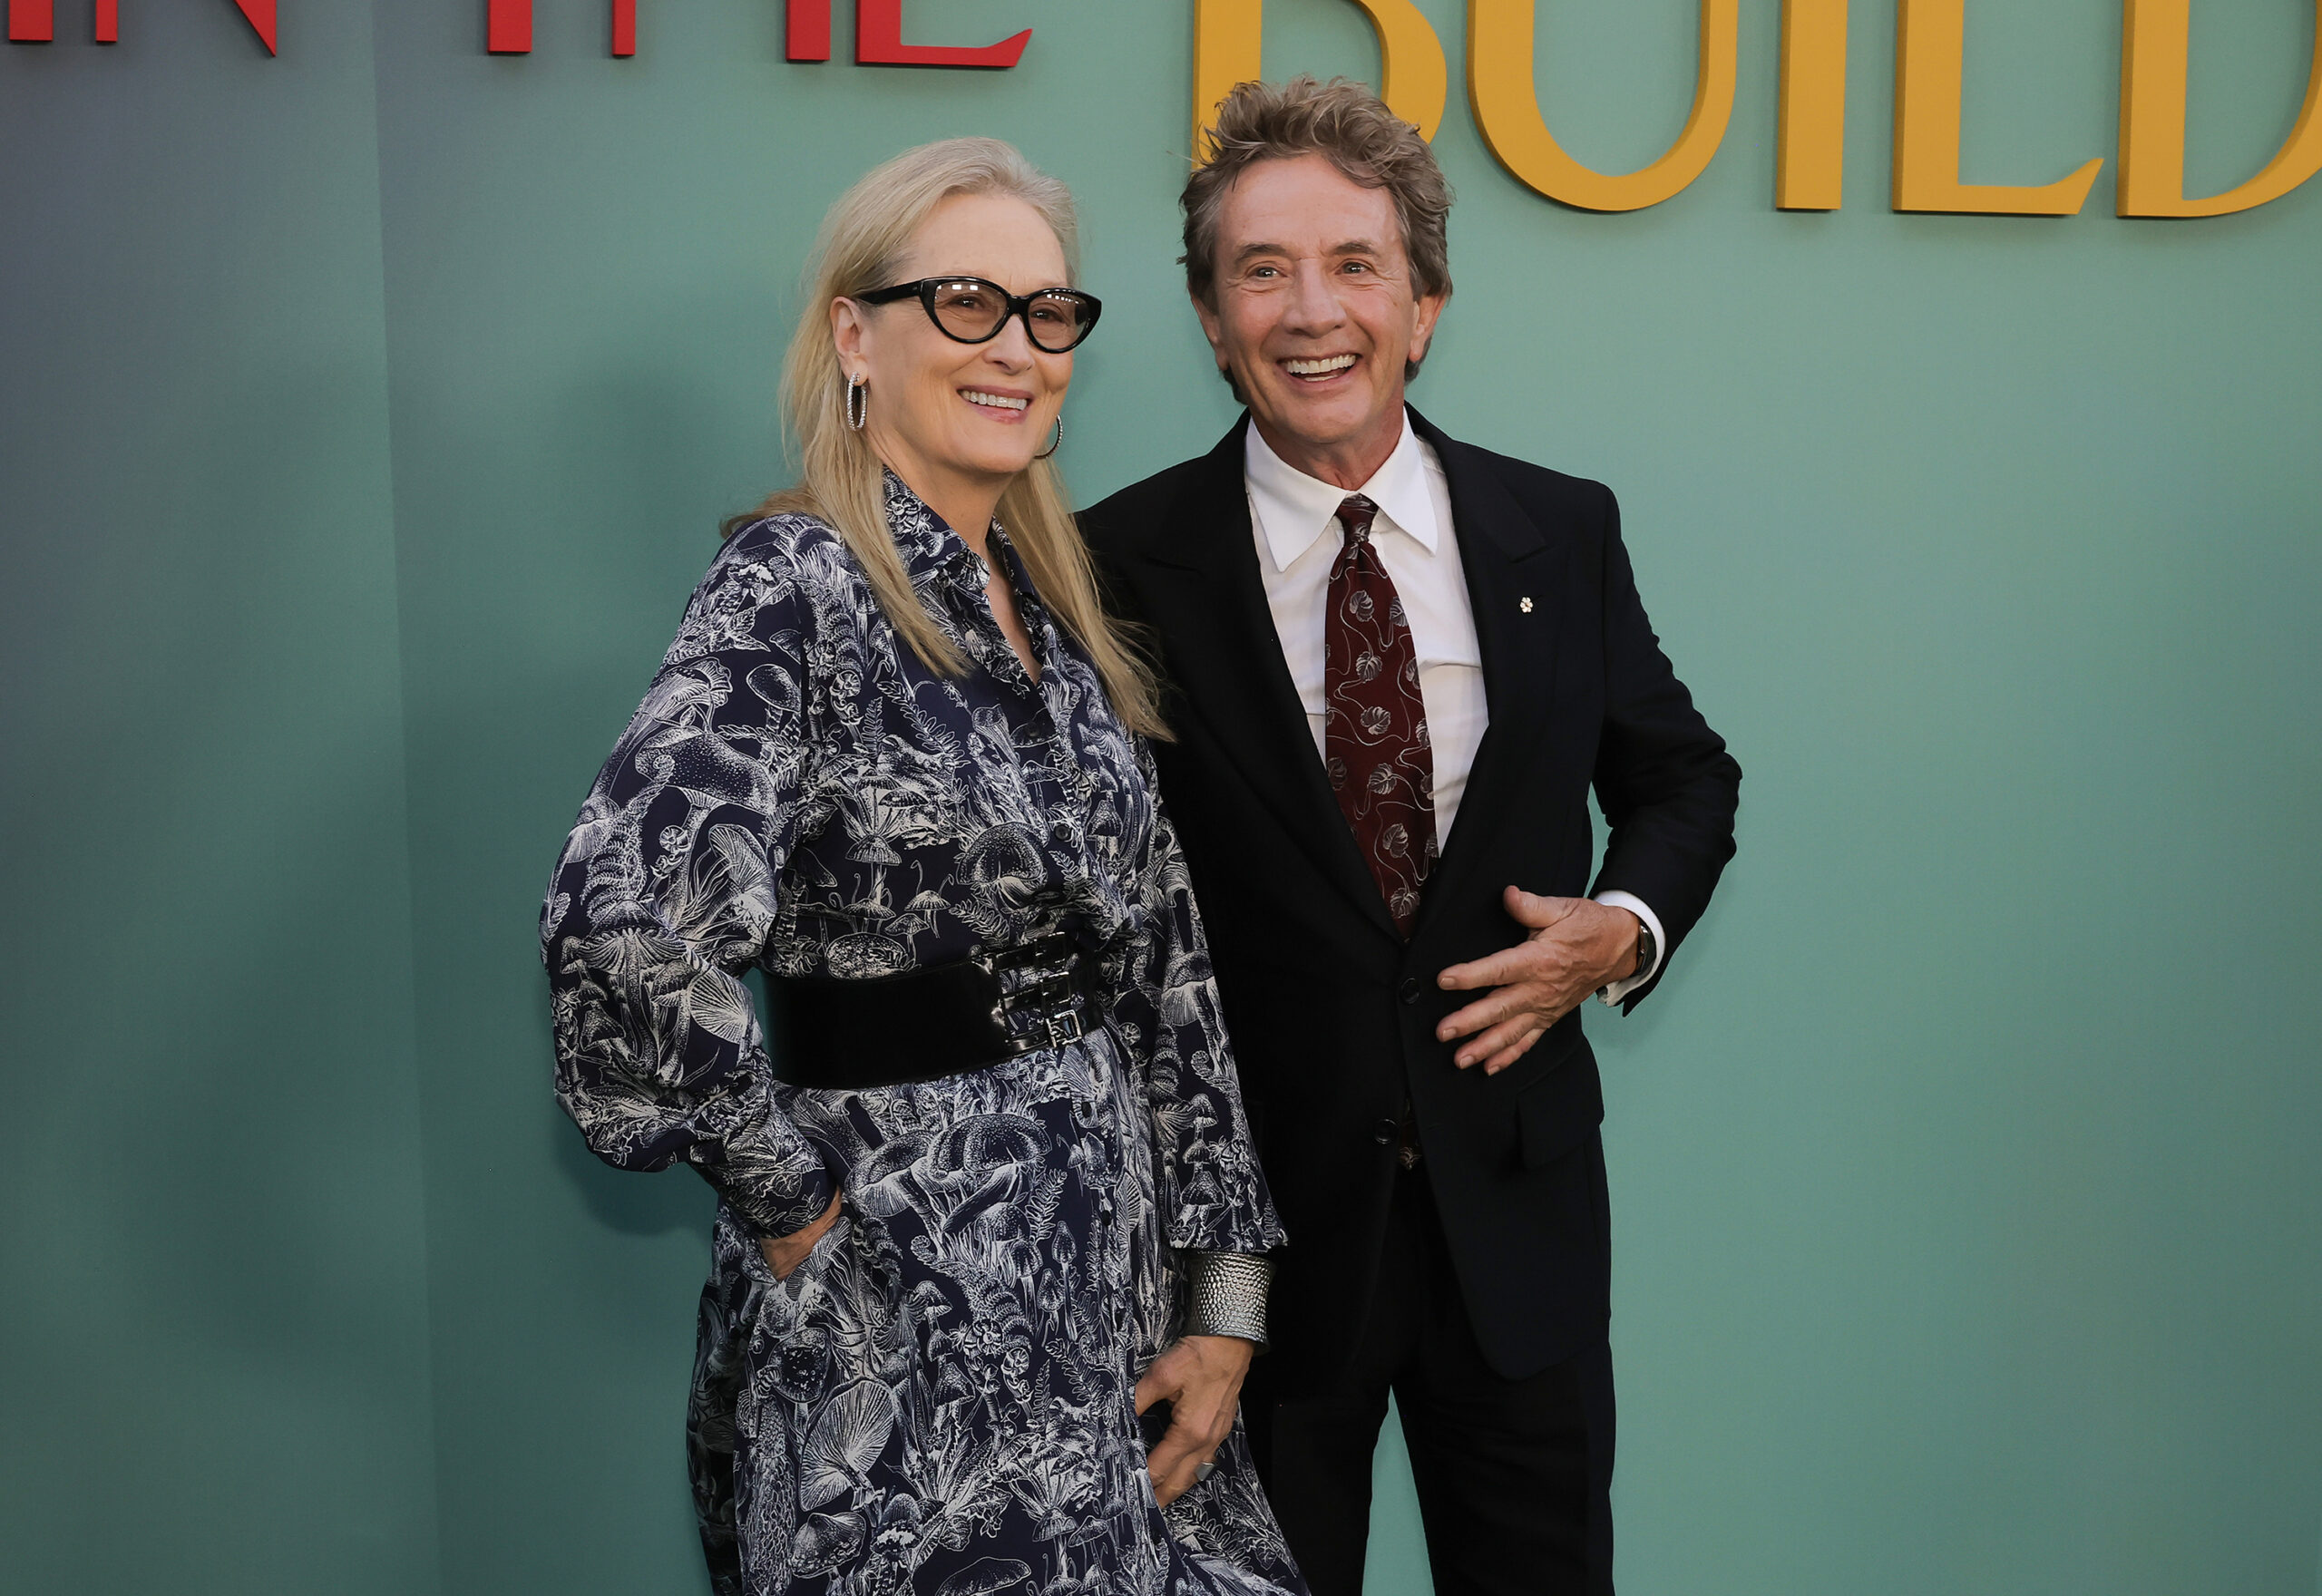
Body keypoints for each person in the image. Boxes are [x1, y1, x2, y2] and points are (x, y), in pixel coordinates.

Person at [541, 138, 1307, 1596]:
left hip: (1108, 1304)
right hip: (904, 1321)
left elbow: (1168, 971)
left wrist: (1224, 1296)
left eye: (1048, 311)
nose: (1018, 347)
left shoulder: (1060, 616)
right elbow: (623, 932)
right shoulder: (796, 585)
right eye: (966, 303)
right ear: (854, 332)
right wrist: (800, 1216)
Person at [1079, 80, 1742, 1596]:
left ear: (1426, 302)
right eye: (1261, 269)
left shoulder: (1556, 529)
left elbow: (1684, 778)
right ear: (1205, 316)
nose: (1312, 311)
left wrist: (1617, 933)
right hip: (1246, 1270)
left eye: (1355, 265)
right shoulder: (1115, 564)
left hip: (1518, 1235)